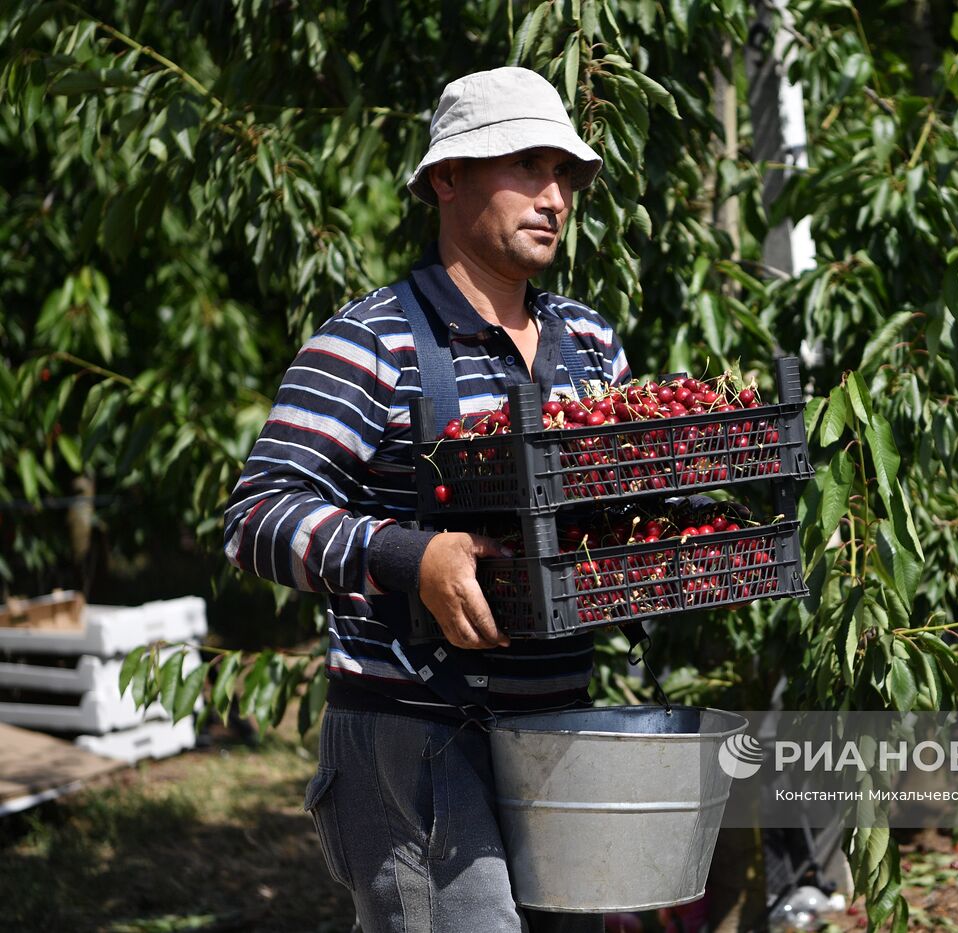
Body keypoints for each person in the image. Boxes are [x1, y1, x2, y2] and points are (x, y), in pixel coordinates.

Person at [223, 67, 627, 933]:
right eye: (526, 166)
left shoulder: (592, 345)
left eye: (565, 173)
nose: (554, 196)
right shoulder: (370, 342)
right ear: (448, 178)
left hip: (560, 732)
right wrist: (413, 557)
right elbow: (258, 515)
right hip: (417, 737)